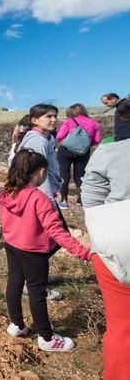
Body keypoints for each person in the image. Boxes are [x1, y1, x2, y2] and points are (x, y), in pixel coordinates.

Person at [0, 149, 91, 353]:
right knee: (36, 292)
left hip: (12, 245)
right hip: (34, 252)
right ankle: (46, 338)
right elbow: (57, 232)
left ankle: (17, 325)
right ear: (41, 172)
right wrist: (83, 252)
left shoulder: (7, 191)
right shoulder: (39, 198)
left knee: (14, 284)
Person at [81, 100, 130, 378]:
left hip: (117, 242)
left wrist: (99, 237)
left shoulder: (108, 151)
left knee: (123, 327)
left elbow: (90, 197)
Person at [8, 104, 62, 204]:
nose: (54, 120)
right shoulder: (38, 141)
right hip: (41, 197)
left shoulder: (41, 138)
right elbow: (38, 174)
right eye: (49, 116)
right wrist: (48, 201)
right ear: (34, 121)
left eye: (55, 116)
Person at [55, 104, 102, 209]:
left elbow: (59, 137)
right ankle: (80, 202)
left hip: (65, 151)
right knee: (80, 176)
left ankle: (63, 202)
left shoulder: (68, 121)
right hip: (83, 152)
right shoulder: (94, 123)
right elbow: (97, 140)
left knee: (64, 175)